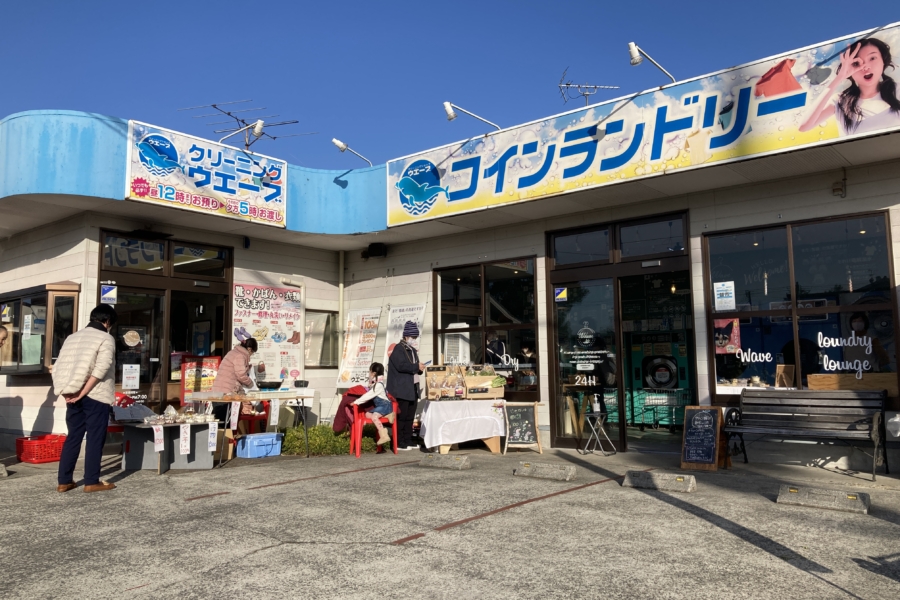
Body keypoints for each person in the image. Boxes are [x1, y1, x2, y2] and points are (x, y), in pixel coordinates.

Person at [52, 304, 118, 493]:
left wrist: (68, 393)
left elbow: (57, 367)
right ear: (107, 322)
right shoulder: (106, 338)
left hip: (72, 395)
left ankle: (64, 481)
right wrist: (83, 391)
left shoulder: (71, 338)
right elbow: (101, 369)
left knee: (74, 435)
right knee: (95, 437)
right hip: (96, 394)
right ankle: (91, 481)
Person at [800, 38, 900, 136]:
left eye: (872, 58)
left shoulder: (897, 90)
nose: (865, 67)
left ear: (883, 60)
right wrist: (839, 78)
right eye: (856, 63)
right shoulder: (840, 100)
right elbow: (804, 126)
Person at [387, 321, 424, 451]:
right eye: (412, 337)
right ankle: (399, 441)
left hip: (412, 387)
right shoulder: (398, 349)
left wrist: (420, 368)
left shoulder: (413, 350)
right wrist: (416, 366)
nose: (413, 340)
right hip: (401, 389)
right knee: (402, 417)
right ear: (406, 336)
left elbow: (413, 367)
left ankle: (408, 440)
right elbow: (401, 366)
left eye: (415, 338)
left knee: (410, 416)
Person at [210, 338, 258, 424]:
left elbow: (234, 374)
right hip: (226, 394)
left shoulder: (233, 352)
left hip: (219, 392)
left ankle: (222, 436)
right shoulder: (240, 356)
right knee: (224, 423)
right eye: (252, 353)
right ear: (249, 349)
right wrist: (251, 384)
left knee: (219, 422)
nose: (251, 355)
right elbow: (241, 375)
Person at [353, 362, 394, 447]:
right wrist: (371, 382)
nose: (369, 374)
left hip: (385, 405)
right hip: (381, 406)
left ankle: (384, 435)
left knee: (374, 416)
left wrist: (356, 402)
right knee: (367, 414)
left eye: (370, 372)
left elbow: (368, 395)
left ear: (374, 373)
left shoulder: (378, 385)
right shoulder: (375, 384)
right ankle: (388, 415)